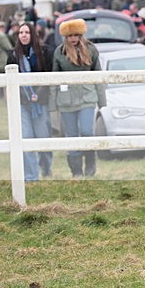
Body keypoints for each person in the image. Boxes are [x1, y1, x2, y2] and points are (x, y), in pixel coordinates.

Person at [50, 18, 107, 178]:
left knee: (87, 131)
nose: (73, 38)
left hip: (87, 97)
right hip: (66, 100)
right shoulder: (59, 52)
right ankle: (76, 171)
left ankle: (90, 163)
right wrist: (52, 104)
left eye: (76, 35)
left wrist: (102, 100)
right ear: (65, 37)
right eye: (70, 36)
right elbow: (54, 78)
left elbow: (98, 75)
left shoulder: (91, 49)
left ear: (81, 35)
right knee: (72, 135)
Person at [7, 22, 54, 181]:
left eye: (27, 32)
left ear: (33, 34)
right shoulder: (13, 55)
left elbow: (49, 75)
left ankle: (46, 169)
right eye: (21, 32)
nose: (24, 35)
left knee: (43, 137)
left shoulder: (45, 52)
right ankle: (31, 176)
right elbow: (10, 81)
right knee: (25, 138)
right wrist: (27, 95)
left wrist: (37, 95)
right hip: (23, 102)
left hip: (40, 102)